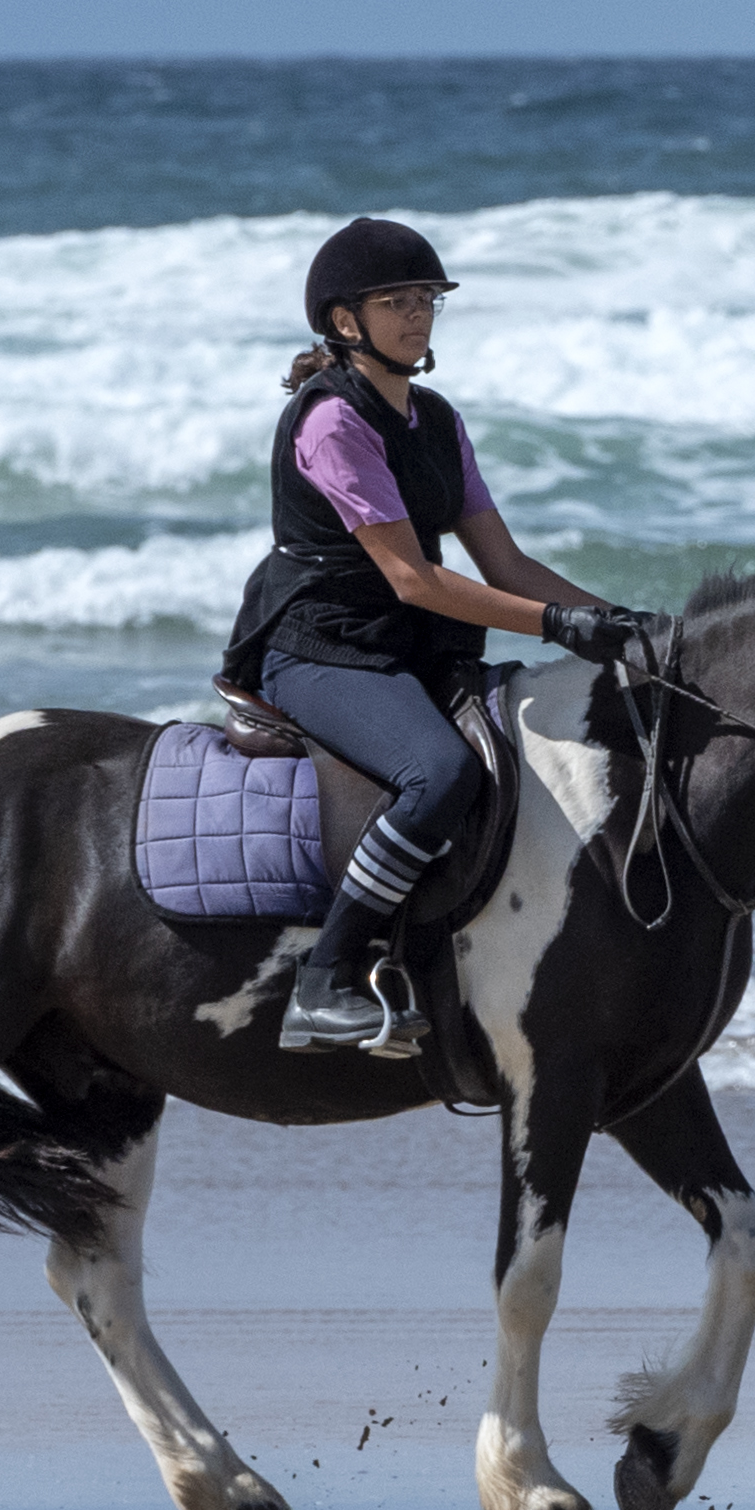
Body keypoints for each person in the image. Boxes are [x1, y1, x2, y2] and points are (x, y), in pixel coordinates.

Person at [219, 217, 664, 1056]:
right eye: (398, 300)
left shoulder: (437, 417)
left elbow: (504, 562)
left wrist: (626, 625)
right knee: (440, 770)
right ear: (346, 321)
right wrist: (559, 626)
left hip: (412, 646)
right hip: (321, 648)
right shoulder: (331, 422)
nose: (419, 314)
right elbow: (414, 578)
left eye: (427, 298)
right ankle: (324, 982)